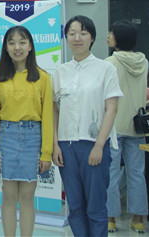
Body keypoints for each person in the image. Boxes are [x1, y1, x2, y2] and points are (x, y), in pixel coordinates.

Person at [52, 15, 122, 237]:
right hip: (66, 146)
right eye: (72, 34)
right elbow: (54, 111)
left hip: (93, 145)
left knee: (96, 207)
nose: (77, 38)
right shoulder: (60, 72)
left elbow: (111, 109)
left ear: (92, 37)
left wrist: (99, 146)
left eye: (83, 33)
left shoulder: (106, 69)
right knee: (75, 206)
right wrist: (55, 145)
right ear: (66, 38)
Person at [0, 26, 53, 237]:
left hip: (33, 138)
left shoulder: (43, 77)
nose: (17, 47)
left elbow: (48, 117)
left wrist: (46, 153)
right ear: (6, 48)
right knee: (8, 196)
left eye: (22, 42)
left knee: (27, 196)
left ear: (30, 46)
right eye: (12, 43)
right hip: (6, 136)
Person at [105, 20, 149, 233]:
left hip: (114, 126)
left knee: (111, 173)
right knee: (137, 174)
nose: (108, 36)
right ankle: (138, 219)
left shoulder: (111, 62)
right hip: (137, 126)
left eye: (111, 33)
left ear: (119, 38)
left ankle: (111, 218)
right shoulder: (144, 61)